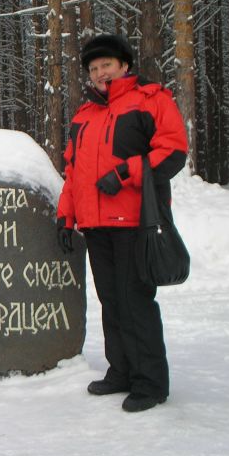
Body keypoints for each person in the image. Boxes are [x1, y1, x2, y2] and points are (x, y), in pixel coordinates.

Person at [56, 34, 188, 412]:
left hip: (135, 221)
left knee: (135, 301)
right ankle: (122, 371)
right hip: (97, 225)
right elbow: (73, 170)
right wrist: (67, 217)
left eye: (106, 65)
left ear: (124, 65)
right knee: (111, 301)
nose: (100, 73)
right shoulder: (84, 115)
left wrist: (125, 173)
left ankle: (150, 382)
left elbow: (174, 151)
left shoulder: (150, 99)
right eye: (93, 68)